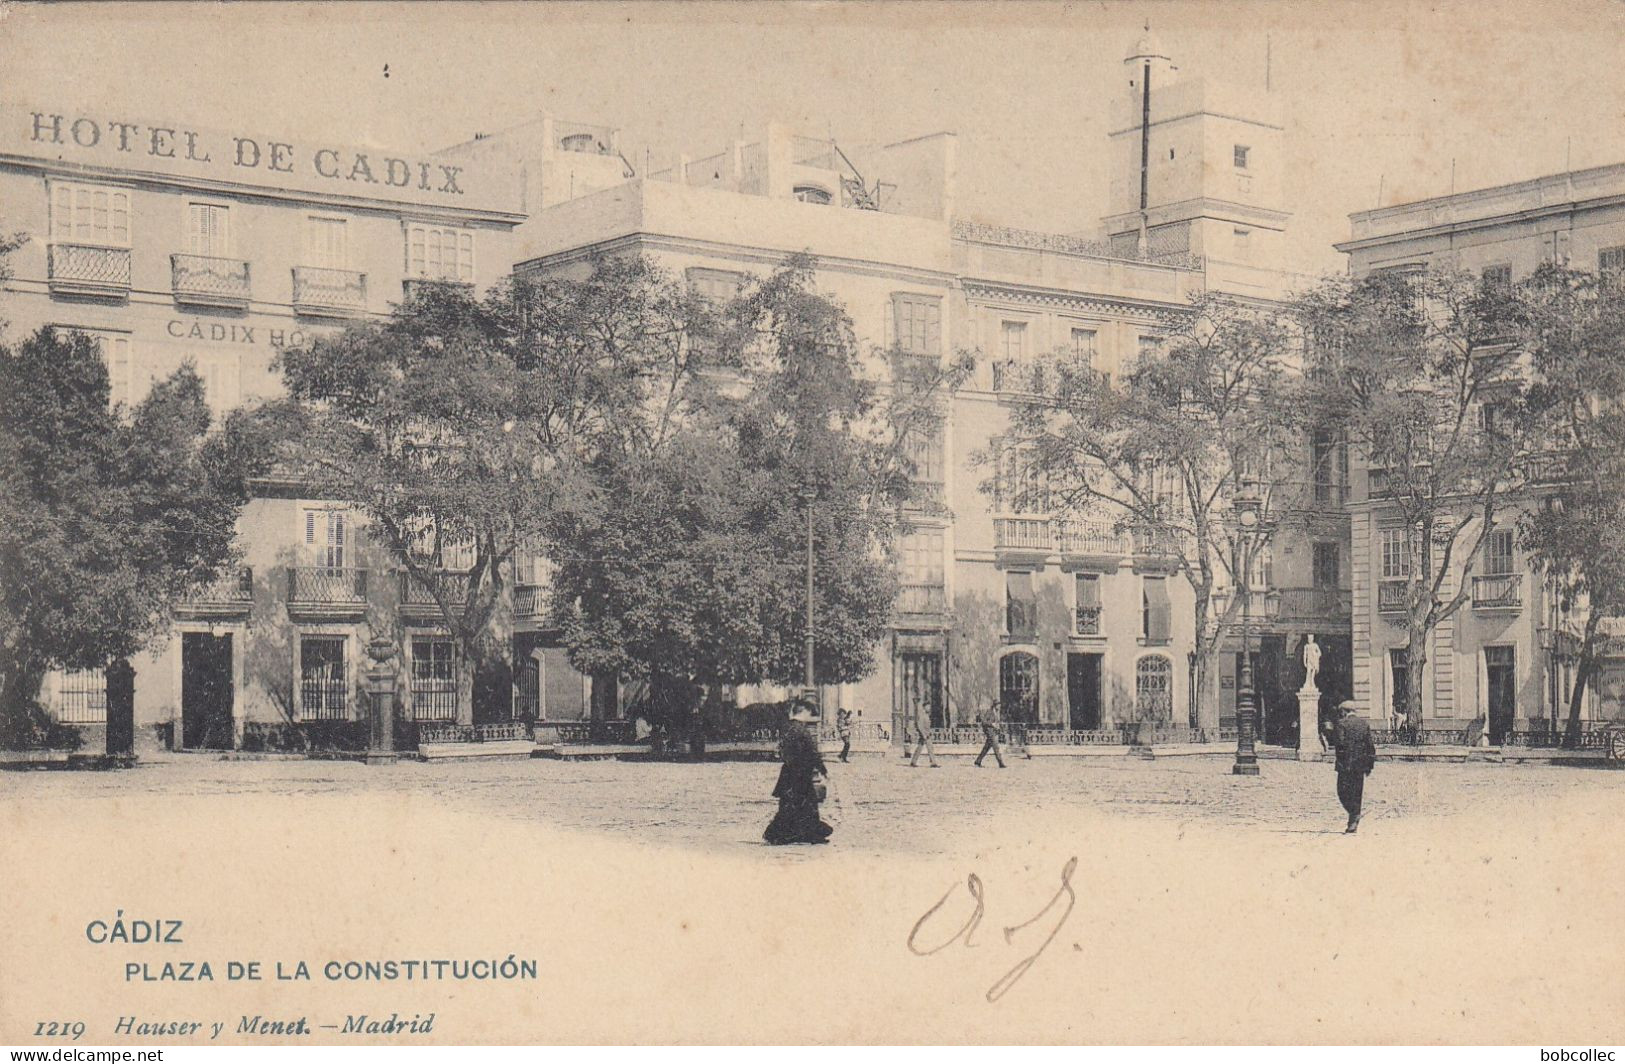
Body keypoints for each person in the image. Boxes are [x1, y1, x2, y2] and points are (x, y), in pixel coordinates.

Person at [763, 701, 833, 845]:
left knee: (789, 804)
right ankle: (808, 834)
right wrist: (823, 769)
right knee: (809, 805)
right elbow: (813, 753)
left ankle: (782, 834)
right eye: (809, 713)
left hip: (789, 772)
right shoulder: (802, 730)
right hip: (801, 773)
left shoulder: (787, 728)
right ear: (804, 712)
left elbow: (781, 750)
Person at [1333, 699, 1377, 834]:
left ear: (1344, 711)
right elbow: (1370, 746)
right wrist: (1370, 765)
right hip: (1360, 765)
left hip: (1346, 765)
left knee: (1342, 792)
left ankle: (1353, 816)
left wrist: (1340, 761)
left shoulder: (1341, 724)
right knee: (1357, 792)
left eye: (1341, 712)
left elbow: (1340, 745)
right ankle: (1354, 818)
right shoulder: (1363, 724)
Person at [974, 700, 1006, 768]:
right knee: (996, 748)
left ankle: (978, 761)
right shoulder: (989, 712)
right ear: (995, 705)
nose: (999, 707)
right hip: (990, 732)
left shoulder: (996, 713)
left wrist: (998, 727)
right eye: (998, 705)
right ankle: (1001, 763)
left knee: (986, 748)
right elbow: (984, 722)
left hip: (993, 732)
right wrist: (991, 724)